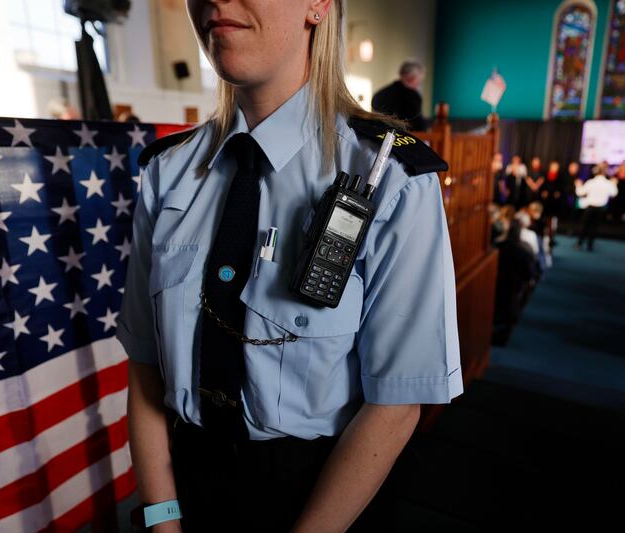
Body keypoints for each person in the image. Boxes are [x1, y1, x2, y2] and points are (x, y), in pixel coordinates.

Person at [118, 1, 463, 531]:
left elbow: (396, 404)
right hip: (185, 489)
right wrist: (163, 521)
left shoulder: (393, 179)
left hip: (324, 497)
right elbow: (145, 366)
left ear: (318, 5)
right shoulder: (167, 172)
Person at [371, 59, 429, 131]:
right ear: (413, 78)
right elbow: (419, 126)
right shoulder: (413, 97)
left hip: (377, 138)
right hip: (402, 139)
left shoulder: (379, 94)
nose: (419, 84)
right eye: (420, 81)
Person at [574, 172, 618, 251]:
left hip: (590, 207)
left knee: (584, 226)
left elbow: (580, 192)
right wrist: (614, 184)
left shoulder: (591, 182)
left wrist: (578, 185)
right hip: (600, 209)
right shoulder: (608, 183)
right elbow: (614, 193)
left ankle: (579, 243)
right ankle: (590, 245)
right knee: (594, 227)